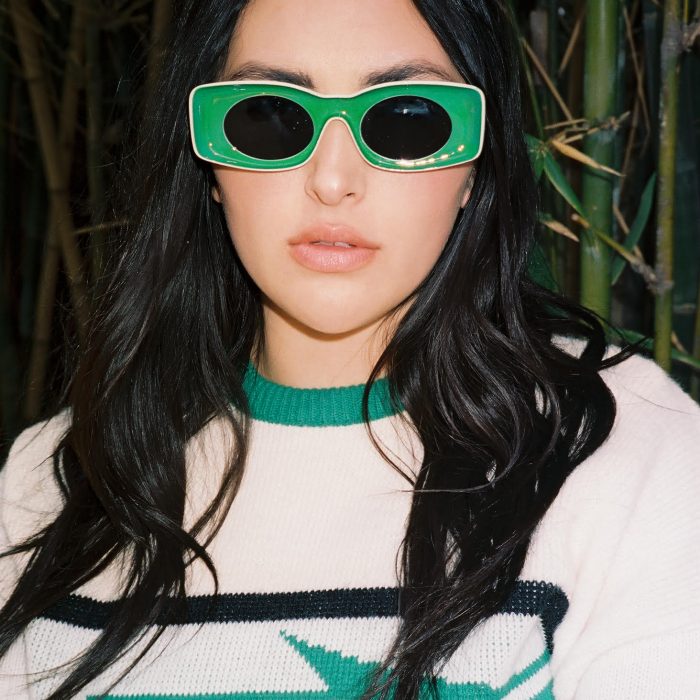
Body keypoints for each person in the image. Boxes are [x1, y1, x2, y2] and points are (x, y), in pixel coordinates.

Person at [1, 0, 699, 698]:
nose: (332, 180)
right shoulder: (51, 482)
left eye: (408, 120)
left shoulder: (621, 452)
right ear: (208, 162)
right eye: (268, 117)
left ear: (475, 168)